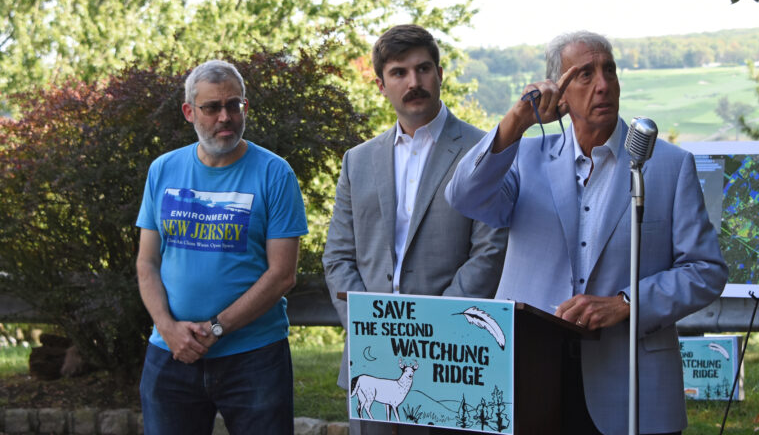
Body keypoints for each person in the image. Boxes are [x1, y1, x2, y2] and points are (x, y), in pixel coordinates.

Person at [445, 31, 728, 435]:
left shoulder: (668, 164)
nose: (603, 84)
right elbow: (463, 196)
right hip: (531, 377)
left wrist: (627, 303)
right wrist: (519, 119)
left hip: (632, 384)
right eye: (585, 74)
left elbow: (706, 270)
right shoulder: (525, 157)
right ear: (558, 91)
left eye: (609, 70)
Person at [322, 24, 508, 435]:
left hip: (449, 359)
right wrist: (368, 326)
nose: (413, 82)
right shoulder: (357, 161)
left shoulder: (482, 151)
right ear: (381, 85)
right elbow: (337, 256)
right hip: (370, 359)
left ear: (440, 74)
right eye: (399, 73)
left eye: (423, 69)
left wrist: (437, 328)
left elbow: (490, 251)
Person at [136, 60, 307, 435]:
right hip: (171, 352)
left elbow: (282, 275)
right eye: (212, 107)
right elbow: (147, 263)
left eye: (234, 105)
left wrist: (215, 329)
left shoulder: (275, 173)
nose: (225, 117)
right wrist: (168, 328)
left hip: (254, 357)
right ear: (189, 112)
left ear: (245, 106)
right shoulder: (163, 170)